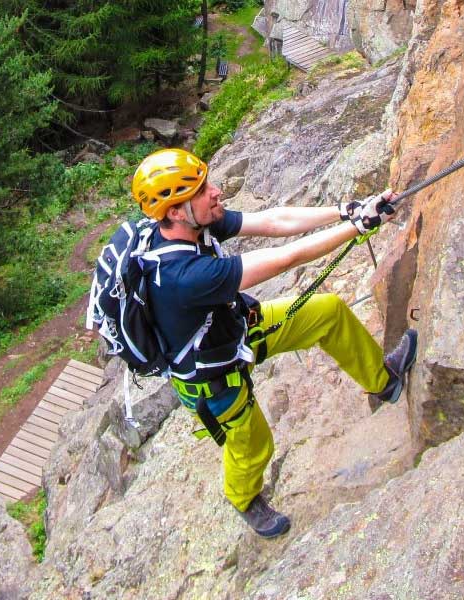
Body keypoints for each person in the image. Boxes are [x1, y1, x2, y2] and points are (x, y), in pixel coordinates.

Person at [131, 148, 417, 539]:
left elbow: (272, 221)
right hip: (212, 378)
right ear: (177, 211)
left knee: (328, 312)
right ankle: (243, 498)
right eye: (202, 190)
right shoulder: (184, 276)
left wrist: (344, 211)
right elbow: (286, 258)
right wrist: (359, 226)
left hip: (233, 330)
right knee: (254, 447)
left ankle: (383, 381)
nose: (215, 192)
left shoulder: (194, 224)